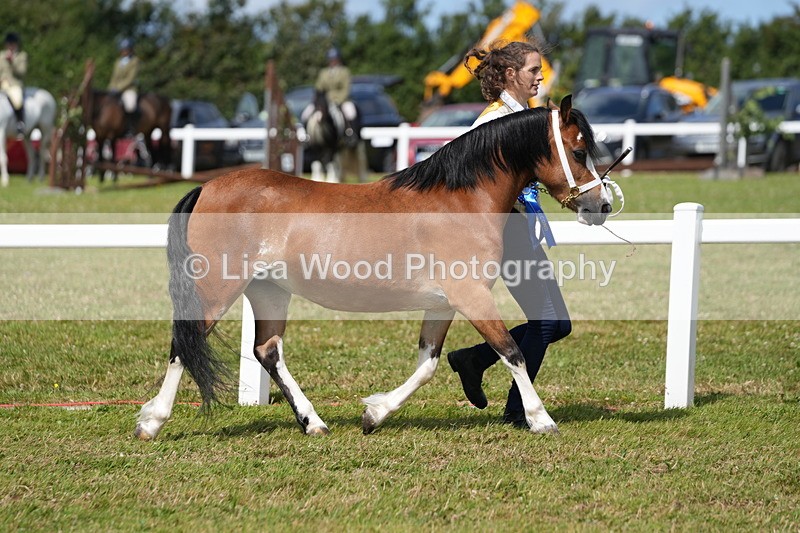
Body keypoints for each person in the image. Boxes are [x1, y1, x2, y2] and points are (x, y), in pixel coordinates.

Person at [447, 40, 572, 427]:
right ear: (509, 75)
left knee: (557, 324)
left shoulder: (524, 115)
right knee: (547, 321)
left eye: (540, 70)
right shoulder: (493, 120)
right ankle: (518, 411)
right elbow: (472, 183)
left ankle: (475, 359)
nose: (540, 76)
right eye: (534, 70)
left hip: (521, 228)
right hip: (505, 232)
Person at [313, 47, 360, 145]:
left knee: (350, 112)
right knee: (307, 113)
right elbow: (319, 88)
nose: (333, 61)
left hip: (341, 100)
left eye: (334, 59)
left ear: (338, 59)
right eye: (331, 59)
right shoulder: (323, 72)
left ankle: (351, 134)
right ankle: (308, 136)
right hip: (326, 101)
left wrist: (338, 100)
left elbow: (346, 89)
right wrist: (318, 100)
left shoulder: (344, 72)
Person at [108, 37, 140, 134]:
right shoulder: (118, 62)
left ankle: (130, 127)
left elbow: (131, 78)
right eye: (123, 49)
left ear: (130, 50)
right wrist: (110, 88)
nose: (124, 51)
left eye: (126, 49)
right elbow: (114, 77)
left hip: (129, 89)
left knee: (130, 105)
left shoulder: (135, 61)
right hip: (115, 89)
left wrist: (118, 88)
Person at [0, 32, 28, 134]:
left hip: (15, 85)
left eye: (12, 44)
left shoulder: (21, 56)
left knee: (17, 100)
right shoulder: (1, 55)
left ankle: (20, 122)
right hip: (2, 84)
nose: (10, 46)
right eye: (9, 44)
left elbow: (21, 72)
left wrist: (12, 62)